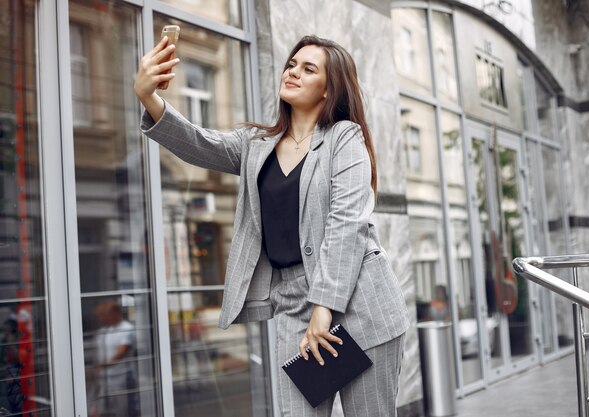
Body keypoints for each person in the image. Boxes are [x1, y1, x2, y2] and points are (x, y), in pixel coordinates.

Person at [134, 34, 410, 416]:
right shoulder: (255, 145)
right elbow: (198, 142)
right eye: (292, 64)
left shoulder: (344, 138)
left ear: (329, 90)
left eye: (308, 68)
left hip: (361, 303)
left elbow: (347, 224)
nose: (293, 72)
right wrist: (149, 97)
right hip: (295, 307)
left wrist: (324, 307)